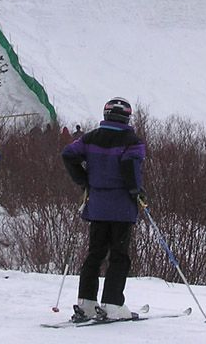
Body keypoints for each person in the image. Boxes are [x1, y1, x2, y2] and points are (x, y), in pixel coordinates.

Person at [61, 97, 145, 321]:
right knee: (119, 256)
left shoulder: (91, 138)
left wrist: (84, 180)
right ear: (127, 116)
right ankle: (112, 304)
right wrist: (136, 190)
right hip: (122, 207)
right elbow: (130, 165)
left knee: (95, 254)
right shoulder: (131, 140)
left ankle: (86, 303)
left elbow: (68, 154)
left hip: (97, 205)